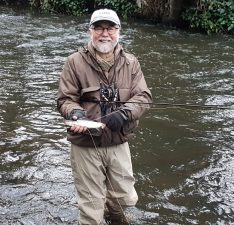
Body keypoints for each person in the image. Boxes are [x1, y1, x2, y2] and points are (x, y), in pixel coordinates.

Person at [57, 8, 152, 225]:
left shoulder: (131, 62)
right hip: (85, 143)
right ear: (90, 31)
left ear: (118, 31)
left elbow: (144, 96)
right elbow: (65, 99)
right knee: (92, 210)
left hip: (118, 140)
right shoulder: (74, 62)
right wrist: (76, 114)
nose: (104, 33)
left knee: (126, 198)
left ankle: (114, 215)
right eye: (99, 28)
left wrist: (126, 112)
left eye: (110, 28)